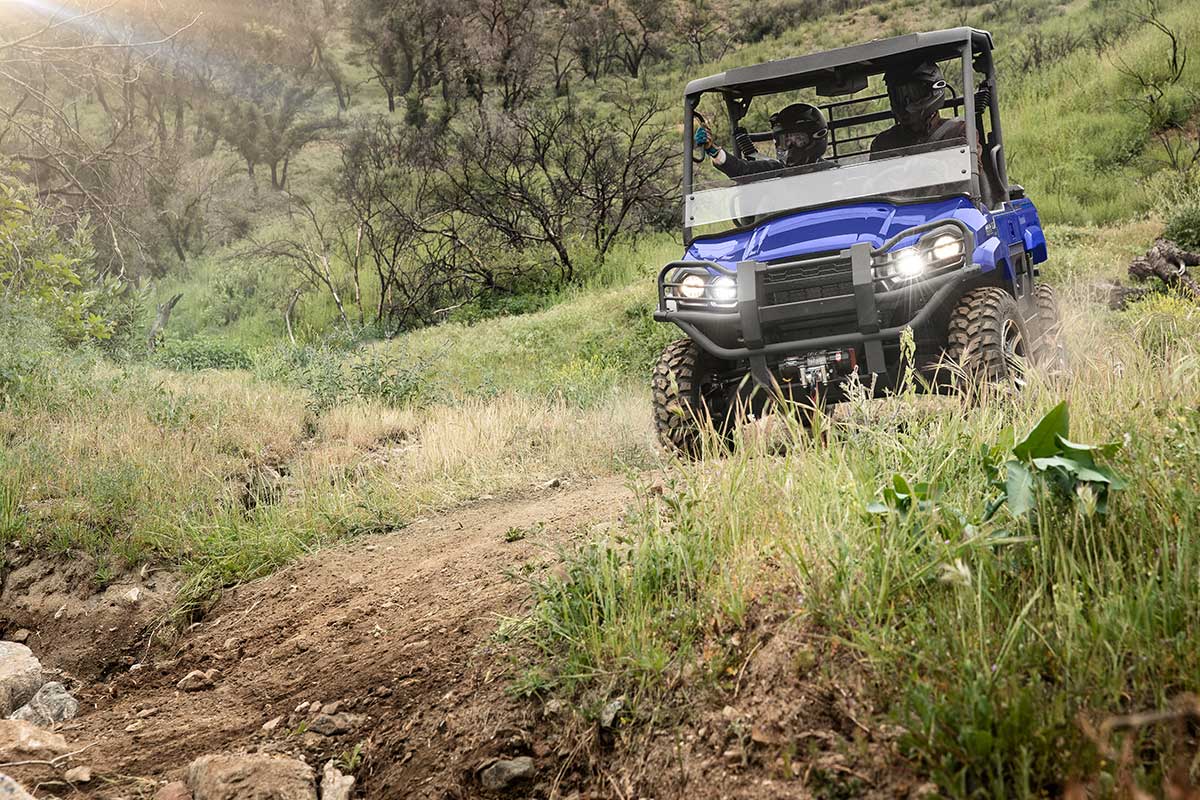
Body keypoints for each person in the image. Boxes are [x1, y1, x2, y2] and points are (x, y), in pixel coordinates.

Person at [694, 103, 829, 178]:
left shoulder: (832, 173)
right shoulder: (775, 170)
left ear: (817, 137)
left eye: (798, 139)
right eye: (785, 140)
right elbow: (742, 170)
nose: (789, 145)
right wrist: (712, 150)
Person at [870, 60, 968, 158]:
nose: (905, 103)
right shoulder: (883, 143)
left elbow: (970, 165)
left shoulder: (958, 132)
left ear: (931, 91)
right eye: (897, 95)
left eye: (913, 93)